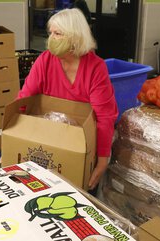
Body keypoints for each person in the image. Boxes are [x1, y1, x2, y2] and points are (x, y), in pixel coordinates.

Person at [18, 8, 118, 191]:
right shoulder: (45, 61)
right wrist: (12, 139)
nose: (51, 39)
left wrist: (103, 161)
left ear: (74, 37)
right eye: (50, 33)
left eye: (58, 34)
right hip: (47, 140)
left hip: (81, 145)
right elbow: (24, 100)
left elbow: (104, 118)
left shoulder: (95, 68)